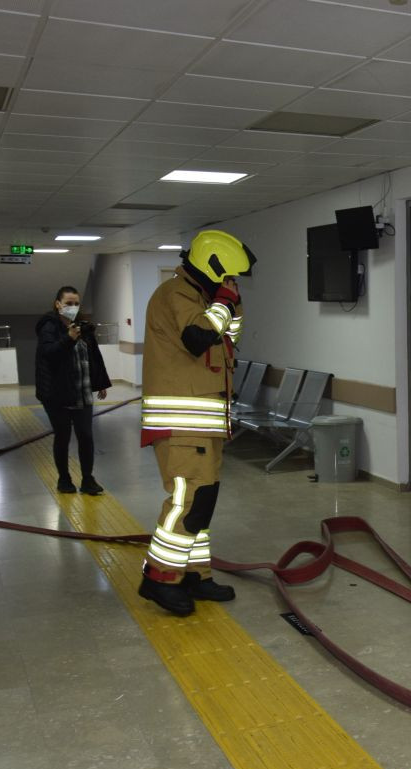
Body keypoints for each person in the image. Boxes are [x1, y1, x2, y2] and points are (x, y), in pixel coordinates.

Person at [137, 229, 254, 616]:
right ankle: (159, 579)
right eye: (226, 277)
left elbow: (228, 340)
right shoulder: (176, 294)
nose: (230, 284)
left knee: (202, 501)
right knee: (186, 502)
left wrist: (230, 307)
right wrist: (222, 302)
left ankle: (193, 574)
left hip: (204, 422)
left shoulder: (202, 297)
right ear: (211, 267)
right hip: (183, 422)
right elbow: (198, 336)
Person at [34, 286, 112, 494]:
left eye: (76, 303)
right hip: (57, 394)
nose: (73, 307)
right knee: (63, 436)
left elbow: (94, 355)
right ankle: (64, 479)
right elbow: (48, 353)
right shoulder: (49, 326)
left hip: (82, 391)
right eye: (68, 303)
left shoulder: (83, 326)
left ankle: (88, 479)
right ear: (57, 304)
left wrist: (101, 382)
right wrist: (68, 338)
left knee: (86, 435)